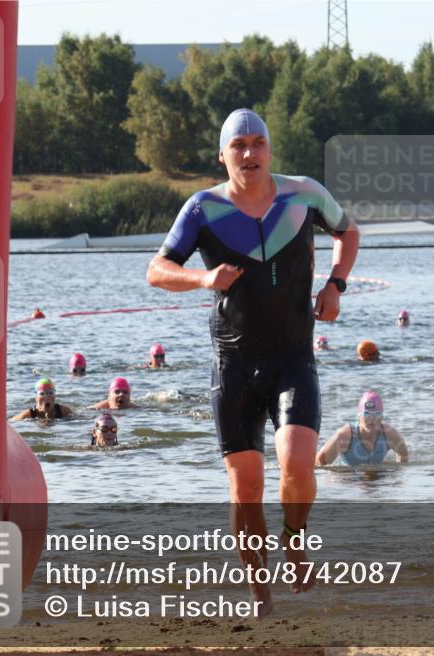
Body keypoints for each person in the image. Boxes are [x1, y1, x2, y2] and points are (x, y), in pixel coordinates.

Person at [146, 108, 360, 614]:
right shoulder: (202, 209)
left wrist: (336, 284)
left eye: (257, 143)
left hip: (292, 357)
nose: (249, 153)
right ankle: (258, 588)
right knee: (245, 491)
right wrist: (202, 279)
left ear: (269, 149)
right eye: (237, 145)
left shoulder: (304, 193)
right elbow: (157, 270)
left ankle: (295, 539)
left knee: (298, 465)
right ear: (223, 156)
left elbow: (347, 232)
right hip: (234, 362)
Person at [315, 391, 408, 465]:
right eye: (367, 413)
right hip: (348, 479)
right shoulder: (344, 436)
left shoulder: (390, 435)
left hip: (376, 478)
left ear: (382, 416)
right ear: (359, 416)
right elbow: (319, 463)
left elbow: (403, 458)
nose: (372, 418)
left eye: (377, 414)